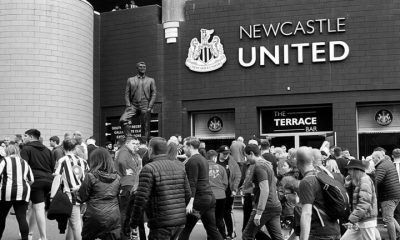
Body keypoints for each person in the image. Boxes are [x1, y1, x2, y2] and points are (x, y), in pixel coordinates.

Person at [127, 137, 191, 240]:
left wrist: (133, 222)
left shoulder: (149, 169)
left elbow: (141, 199)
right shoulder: (179, 167)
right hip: (179, 221)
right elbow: (187, 194)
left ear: (151, 150)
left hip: (161, 223)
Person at [178, 137, 223, 240]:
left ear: (190, 146)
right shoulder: (203, 159)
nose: (183, 149)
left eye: (184, 146)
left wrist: (190, 203)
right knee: (212, 230)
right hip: (209, 198)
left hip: (199, 199)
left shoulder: (192, 162)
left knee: (186, 228)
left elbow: (192, 183)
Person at [296, 146, 341, 240]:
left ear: (297, 162)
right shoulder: (323, 175)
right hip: (334, 230)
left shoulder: (307, 181)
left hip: (319, 233)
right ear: (312, 160)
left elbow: (306, 213)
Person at [242, 144, 283, 240]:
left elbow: (265, 189)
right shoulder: (267, 164)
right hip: (275, 205)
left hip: (265, 206)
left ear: (251, 153)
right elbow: (274, 182)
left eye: (246, 156)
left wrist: (259, 212)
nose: (246, 159)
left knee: (247, 236)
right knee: (277, 238)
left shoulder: (259, 166)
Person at [79, 148, 121, 240]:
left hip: (94, 215)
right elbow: (117, 196)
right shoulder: (117, 177)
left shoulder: (91, 176)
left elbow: (82, 197)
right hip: (114, 215)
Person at [21, 129, 54, 240]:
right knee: (34, 207)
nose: (23, 138)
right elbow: (52, 167)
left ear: (31, 137)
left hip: (35, 181)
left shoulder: (26, 149)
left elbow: (23, 167)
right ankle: (30, 233)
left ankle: (43, 237)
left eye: (25, 136)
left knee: (38, 207)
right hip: (48, 181)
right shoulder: (48, 150)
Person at [52, 138, 89, 240]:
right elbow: (88, 178)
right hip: (82, 195)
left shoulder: (62, 160)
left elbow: (57, 178)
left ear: (63, 147)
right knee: (72, 223)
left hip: (69, 195)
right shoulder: (83, 161)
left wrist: (52, 197)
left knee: (75, 224)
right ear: (75, 147)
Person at [0, 144, 34, 240]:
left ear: (7, 152)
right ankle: (25, 238)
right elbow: (31, 180)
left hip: (7, 191)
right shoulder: (24, 162)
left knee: (1, 217)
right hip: (23, 191)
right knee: (21, 217)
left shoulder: (5, 161)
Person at [341, 160, 378, 240]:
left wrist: (352, 219)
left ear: (355, 170)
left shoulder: (364, 180)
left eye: (350, 169)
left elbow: (364, 203)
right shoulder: (362, 180)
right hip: (362, 219)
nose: (348, 172)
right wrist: (347, 185)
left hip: (366, 220)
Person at [119, 61, 157, 141]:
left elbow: (154, 93)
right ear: (137, 68)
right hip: (133, 105)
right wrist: (128, 105)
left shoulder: (151, 80)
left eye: (144, 67)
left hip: (145, 104)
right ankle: (129, 137)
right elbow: (127, 93)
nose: (143, 68)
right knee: (123, 119)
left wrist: (150, 106)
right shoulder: (130, 80)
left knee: (145, 126)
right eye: (140, 67)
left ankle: (144, 142)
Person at [114, 137, 142, 240]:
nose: (136, 145)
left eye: (137, 143)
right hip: (126, 185)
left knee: (129, 210)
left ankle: (128, 232)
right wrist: (125, 172)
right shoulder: (124, 151)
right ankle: (124, 234)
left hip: (132, 185)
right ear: (127, 143)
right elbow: (121, 162)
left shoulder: (132, 153)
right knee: (125, 211)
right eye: (133, 143)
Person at [371, 150, 400, 240]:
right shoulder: (388, 163)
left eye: (373, 158)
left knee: (387, 218)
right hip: (394, 194)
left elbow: (376, 181)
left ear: (379, 158)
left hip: (388, 196)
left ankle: (393, 238)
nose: (372, 160)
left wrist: (370, 174)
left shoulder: (381, 166)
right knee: (390, 217)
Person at [216, 145, 241, 239]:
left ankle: (231, 232)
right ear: (219, 153)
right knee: (216, 213)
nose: (226, 155)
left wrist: (234, 189)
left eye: (227, 153)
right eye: (224, 153)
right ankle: (217, 234)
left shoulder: (231, 161)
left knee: (227, 212)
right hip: (217, 192)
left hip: (228, 191)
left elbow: (238, 175)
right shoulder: (215, 160)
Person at [207, 150, 228, 239]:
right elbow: (225, 183)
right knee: (219, 218)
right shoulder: (221, 168)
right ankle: (222, 236)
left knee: (209, 219)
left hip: (208, 196)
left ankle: (211, 237)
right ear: (215, 157)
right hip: (220, 196)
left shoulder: (203, 167)